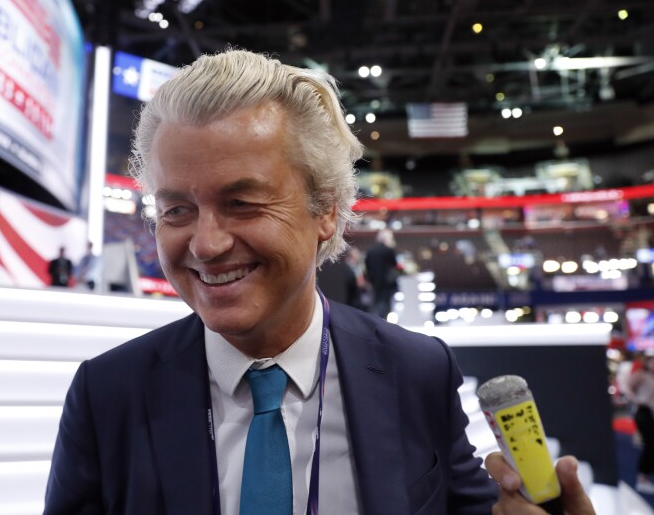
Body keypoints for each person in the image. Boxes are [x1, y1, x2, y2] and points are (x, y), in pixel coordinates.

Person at [44, 49, 596, 514]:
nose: (206, 244)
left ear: (326, 210)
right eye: (177, 210)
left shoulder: (416, 372)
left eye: (242, 203)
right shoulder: (107, 395)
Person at [629, 349, 654, 494]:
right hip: (643, 413)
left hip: (650, 413)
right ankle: (642, 479)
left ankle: (647, 475)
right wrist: (637, 400)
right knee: (650, 445)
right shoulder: (641, 375)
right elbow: (627, 387)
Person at [364, 229, 399, 318]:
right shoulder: (389, 250)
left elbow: (367, 266)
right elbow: (395, 265)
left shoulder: (370, 250)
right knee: (384, 305)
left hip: (373, 281)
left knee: (374, 304)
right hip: (386, 283)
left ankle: (374, 321)